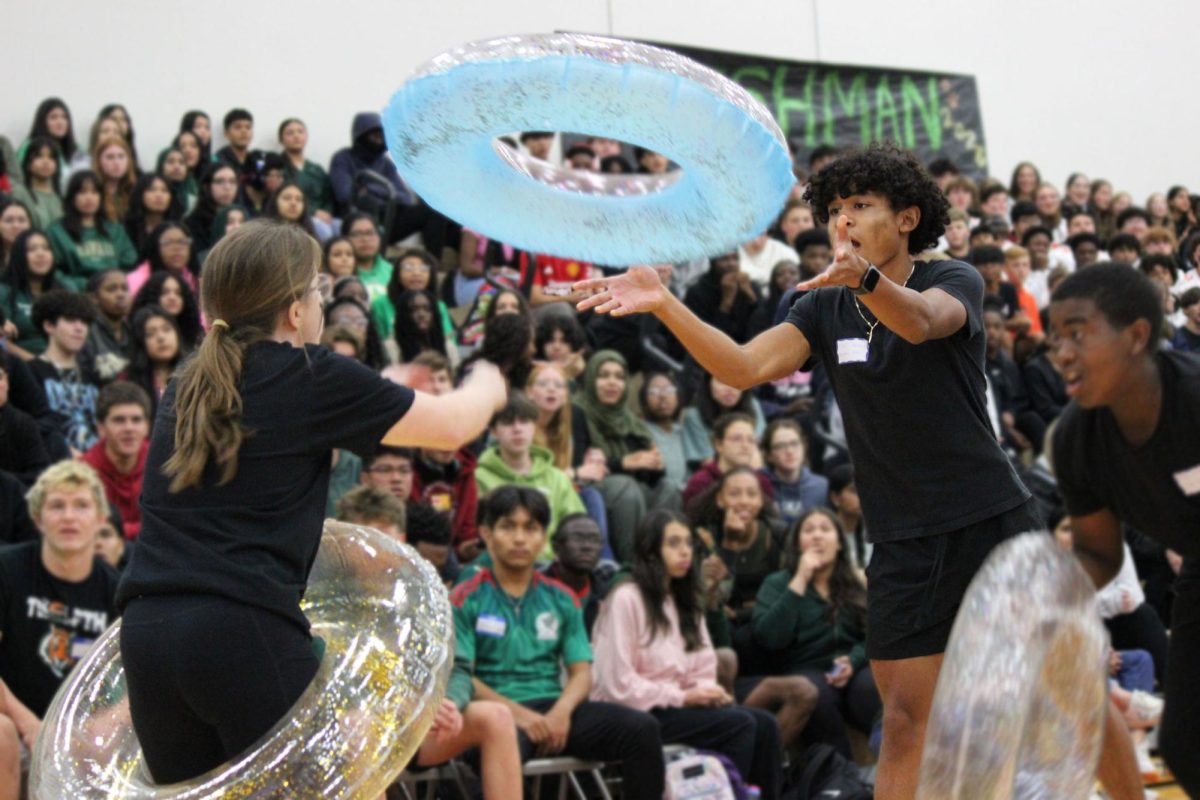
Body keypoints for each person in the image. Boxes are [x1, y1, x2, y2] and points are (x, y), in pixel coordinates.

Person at [575, 142, 1048, 798]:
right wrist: (663, 304)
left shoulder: (950, 280)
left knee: (1020, 704)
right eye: (832, 210)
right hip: (903, 540)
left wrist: (867, 282)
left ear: (908, 217)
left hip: (989, 519)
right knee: (906, 721)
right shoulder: (821, 308)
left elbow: (918, 324)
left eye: (860, 205)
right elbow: (741, 368)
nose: (842, 222)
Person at [112, 220, 507, 785]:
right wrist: (488, 381)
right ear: (295, 311)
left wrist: (386, 382)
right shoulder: (309, 375)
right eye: (317, 290)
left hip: (149, 639)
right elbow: (452, 428)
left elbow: (279, 422)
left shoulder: (190, 383)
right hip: (239, 629)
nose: (320, 301)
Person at [1049, 264, 1200, 795]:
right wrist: (1046, 596)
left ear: (1137, 336)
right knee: (1186, 747)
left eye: (1077, 333)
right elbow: (1096, 551)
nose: (1062, 352)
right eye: (1054, 339)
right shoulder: (1073, 441)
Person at [450, 486, 666, 799]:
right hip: (495, 714)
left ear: (544, 537)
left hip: (553, 707)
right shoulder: (465, 597)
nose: (521, 538)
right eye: (508, 527)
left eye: (531, 528)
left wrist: (560, 713)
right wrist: (524, 718)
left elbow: (581, 672)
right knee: (494, 749)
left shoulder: (561, 597)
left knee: (642, 729)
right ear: (486, 533)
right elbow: (461, 676)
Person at [591, 510, 783, 797]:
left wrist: (707, 692)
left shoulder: (686, 602)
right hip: (632, 712)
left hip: (676, 707)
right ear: (651, 549)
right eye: (673, 543)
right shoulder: (626, 598)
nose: (685, 551)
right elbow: (617, 684)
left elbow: (703, 667)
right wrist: (683, 696)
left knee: (766, 724)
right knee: (738, 725)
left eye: (688, 543)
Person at [0, 460, 119, 797]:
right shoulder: (7, 569)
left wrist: (99, 728)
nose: (69, 516)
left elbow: (136, 683)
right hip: (17, 723)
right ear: (38, 519)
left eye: (81, 505)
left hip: (79, 737)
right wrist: (30, 726)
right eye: (57, 506)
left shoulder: (117, 589)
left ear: (100, 520)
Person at [753, 508, 880, 759]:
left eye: (825, 529)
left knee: (871, 687)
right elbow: (770, 638)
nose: (817, 536)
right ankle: (840, 779)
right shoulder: (778, 583)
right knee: (818, 695)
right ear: (797, 543)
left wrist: (853, 660)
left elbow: (876, 633)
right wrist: (800, 579)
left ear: (840, 544)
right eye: (809, 530)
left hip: (852, 666)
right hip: (805, 668)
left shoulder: (856, 582)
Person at [573, 350, 680, 561]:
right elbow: (577, 465)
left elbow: (649, 477)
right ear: (591, 378)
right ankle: (631, 567)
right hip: (591, 489)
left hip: (631, 489)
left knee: (670, 489)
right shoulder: (577, 412)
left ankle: (660, 562)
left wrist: (655, 465)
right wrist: (623, 463)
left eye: (619, 377)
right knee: (626, 488)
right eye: (604, 376)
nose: (612, 383)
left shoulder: (631, 422)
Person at [475, 393, 586, 559]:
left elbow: (577, 528)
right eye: (507, 423)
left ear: (535, 427)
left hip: (551, 567)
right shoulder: (477, 478)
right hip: (498, 567)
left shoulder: (557, 478)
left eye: (524, 421)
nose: (517, 429)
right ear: (493, 432)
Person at [29, 289, 100, 453]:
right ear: (49, 325)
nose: (79, 328)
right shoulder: (30, 372)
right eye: (71, 320)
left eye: (84, 322)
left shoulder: (94, 375)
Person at [80, 381, 151, 539]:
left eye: (136, 420)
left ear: (147, 426)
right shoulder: (83, 472)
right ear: (101, 428)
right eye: (119, 420)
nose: (129, 428)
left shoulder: (163, 464)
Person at [47, 171, 137, 285]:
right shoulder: (56, 231)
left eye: (95, 192)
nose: (89, 198)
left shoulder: (116, 231)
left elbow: (130, 265)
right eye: (82, 192)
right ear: (72, 197)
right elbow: (53, 270)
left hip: (113, 290)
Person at [541, 513, 613, 635]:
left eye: (594, 540)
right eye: (577, 539)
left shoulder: (608, 595)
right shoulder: (535, 591)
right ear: (556, 547)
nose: (587, 546)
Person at [1, 229, 63, 359]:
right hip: (21, 367)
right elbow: (3, 342)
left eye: (46, 248)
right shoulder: (5, 291)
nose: (41, 254)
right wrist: (38, 364)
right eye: (31, 249)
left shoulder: (63, 291)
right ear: (18, 256)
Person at [763, 419, 828, 528]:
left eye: (794, 443)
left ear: (804, 447)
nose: (789, 451)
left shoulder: (821, 486)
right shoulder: (760, 484)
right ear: (769, 455)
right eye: (780, 446)